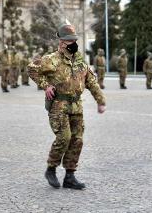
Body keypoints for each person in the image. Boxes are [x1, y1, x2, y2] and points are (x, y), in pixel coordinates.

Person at [28, 23, 106, 190]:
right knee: (64, 137)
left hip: (76, 106)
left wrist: (101, 101)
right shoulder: (51, 59)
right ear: (62, 42)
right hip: (59, 106)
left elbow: (91, 82)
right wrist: (45, 85)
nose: (74, 44)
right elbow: (31, 69)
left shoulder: (79, 60)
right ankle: (51, 169)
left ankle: (70, 176)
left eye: (75, 40)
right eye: (71, 41)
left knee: (77, 140)